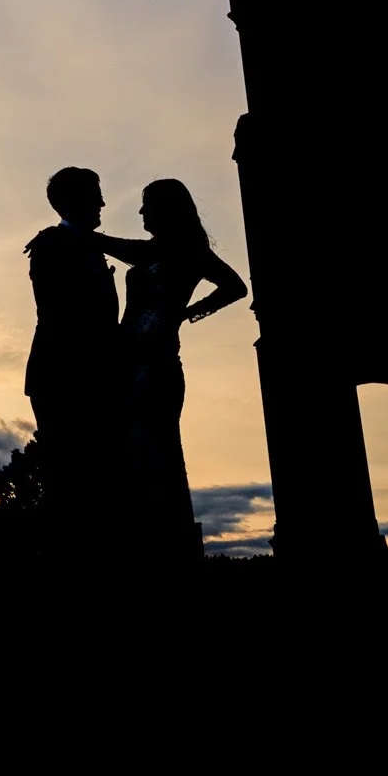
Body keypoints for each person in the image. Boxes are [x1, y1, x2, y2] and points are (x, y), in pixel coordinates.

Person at [89, 179, 249, 561]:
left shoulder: (190, 252)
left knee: (154, 453)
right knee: (131, 453)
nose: (141, 212)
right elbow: (117, 246)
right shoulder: (153, 250)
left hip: (156, 364)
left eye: (147, 205)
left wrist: (186, 314)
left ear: (167, 209)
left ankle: (162, 548)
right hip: (127, 363)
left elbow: (236, 287)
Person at [22, 167, 121, 525]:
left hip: (90, 377)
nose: (102, 203)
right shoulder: (51, 246)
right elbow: (64, 315)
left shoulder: (87, 245)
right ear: (70, 201)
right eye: (95, 195)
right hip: (64, 378)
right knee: (70, 485)